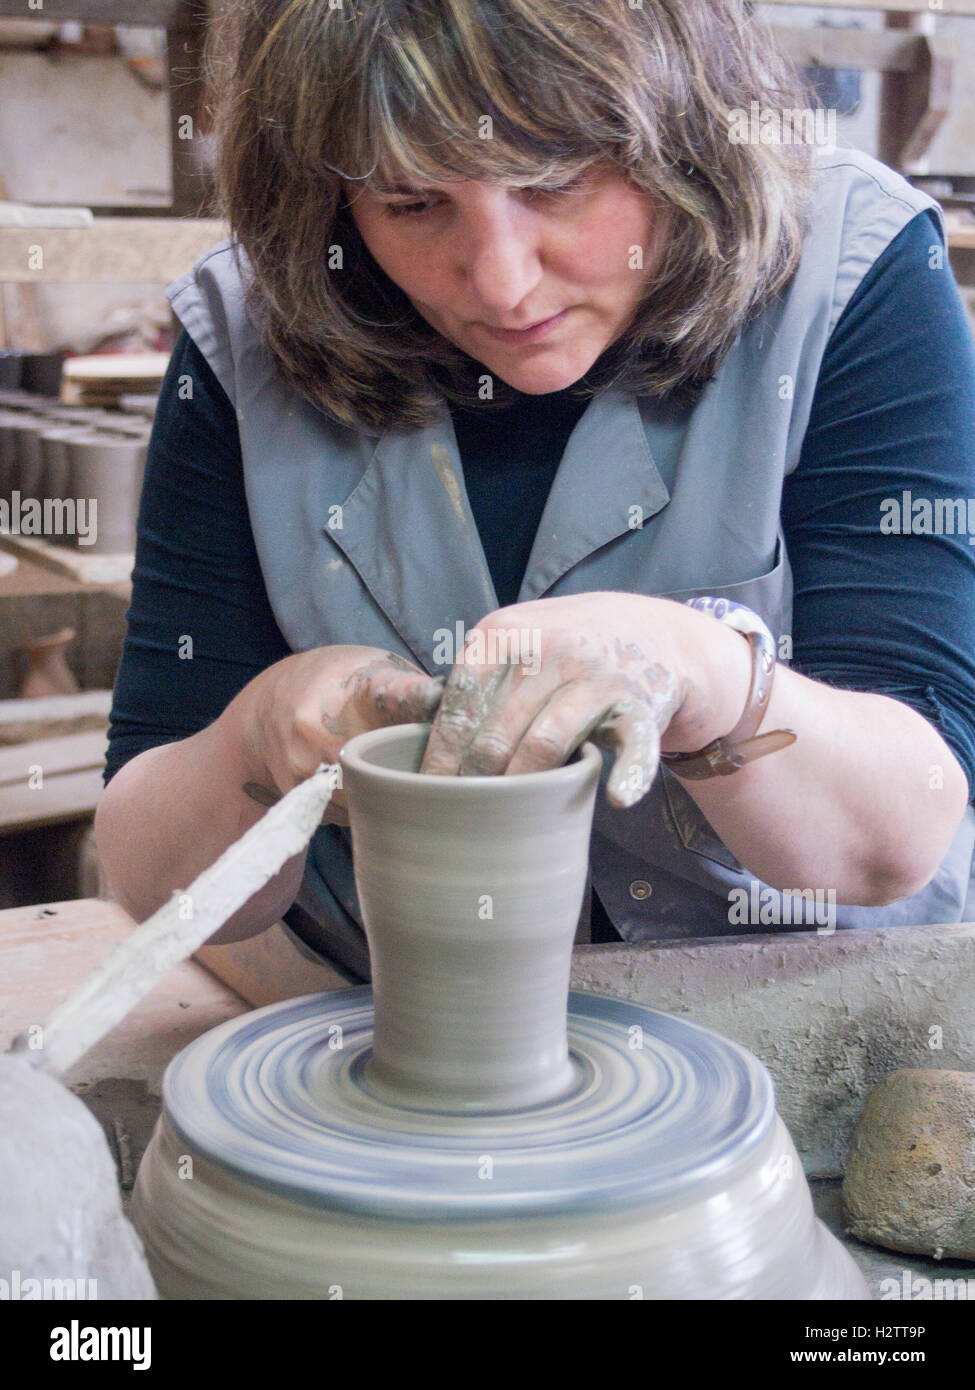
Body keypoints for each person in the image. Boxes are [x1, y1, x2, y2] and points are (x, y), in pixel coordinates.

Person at [95, 0, 975, 978]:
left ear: (684, 137)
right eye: (413, 203)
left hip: (777, 982)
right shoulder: (249, 330)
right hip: (388, 991)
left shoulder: (848, 268)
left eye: (555, 182)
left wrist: (702, 676)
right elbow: (157, 883)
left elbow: (902, 831)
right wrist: (252, 745)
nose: (502, 281)